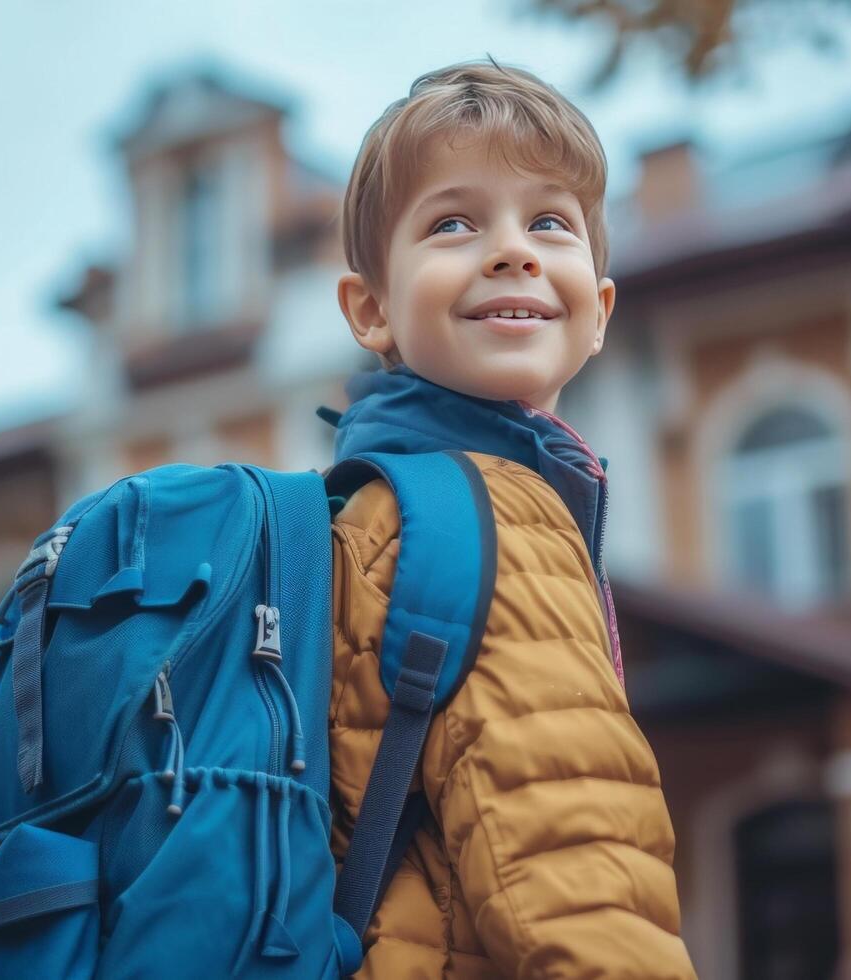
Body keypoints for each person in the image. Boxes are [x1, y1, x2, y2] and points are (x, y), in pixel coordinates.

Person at [322, 59, 697, 978]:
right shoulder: (494, 515)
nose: (511, 250)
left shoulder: (366, 506)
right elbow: (574, 868)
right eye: (453, 223)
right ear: (370, 309)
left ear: (598, 307)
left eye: (549, 223)